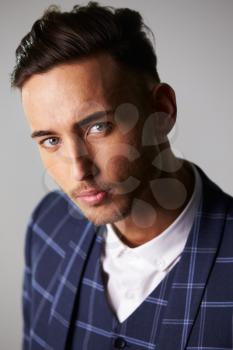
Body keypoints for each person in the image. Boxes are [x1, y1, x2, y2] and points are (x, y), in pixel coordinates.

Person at [11, 2, 233, 349]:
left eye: (98, 126)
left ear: (162, 110)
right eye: (51, 140)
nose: (78, 169)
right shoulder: (47, 226)